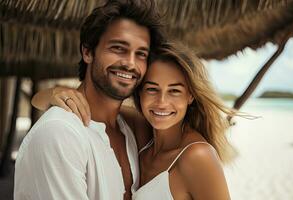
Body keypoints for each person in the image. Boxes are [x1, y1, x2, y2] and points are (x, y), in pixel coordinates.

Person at [32, 42, 236, 199]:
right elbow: (38, 101)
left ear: (190, 95)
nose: (162, 102)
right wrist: (54, 93)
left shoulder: (197, 156)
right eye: (152, 89)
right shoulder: (141, 130)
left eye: (174, 91)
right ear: (140, 94)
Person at [14, 0, 164, 199]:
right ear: (87, 52)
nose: (130, 63)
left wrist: (49, 94)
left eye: (141, 54)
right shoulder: (60, 133)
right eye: (118, 48)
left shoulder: (129, 130)